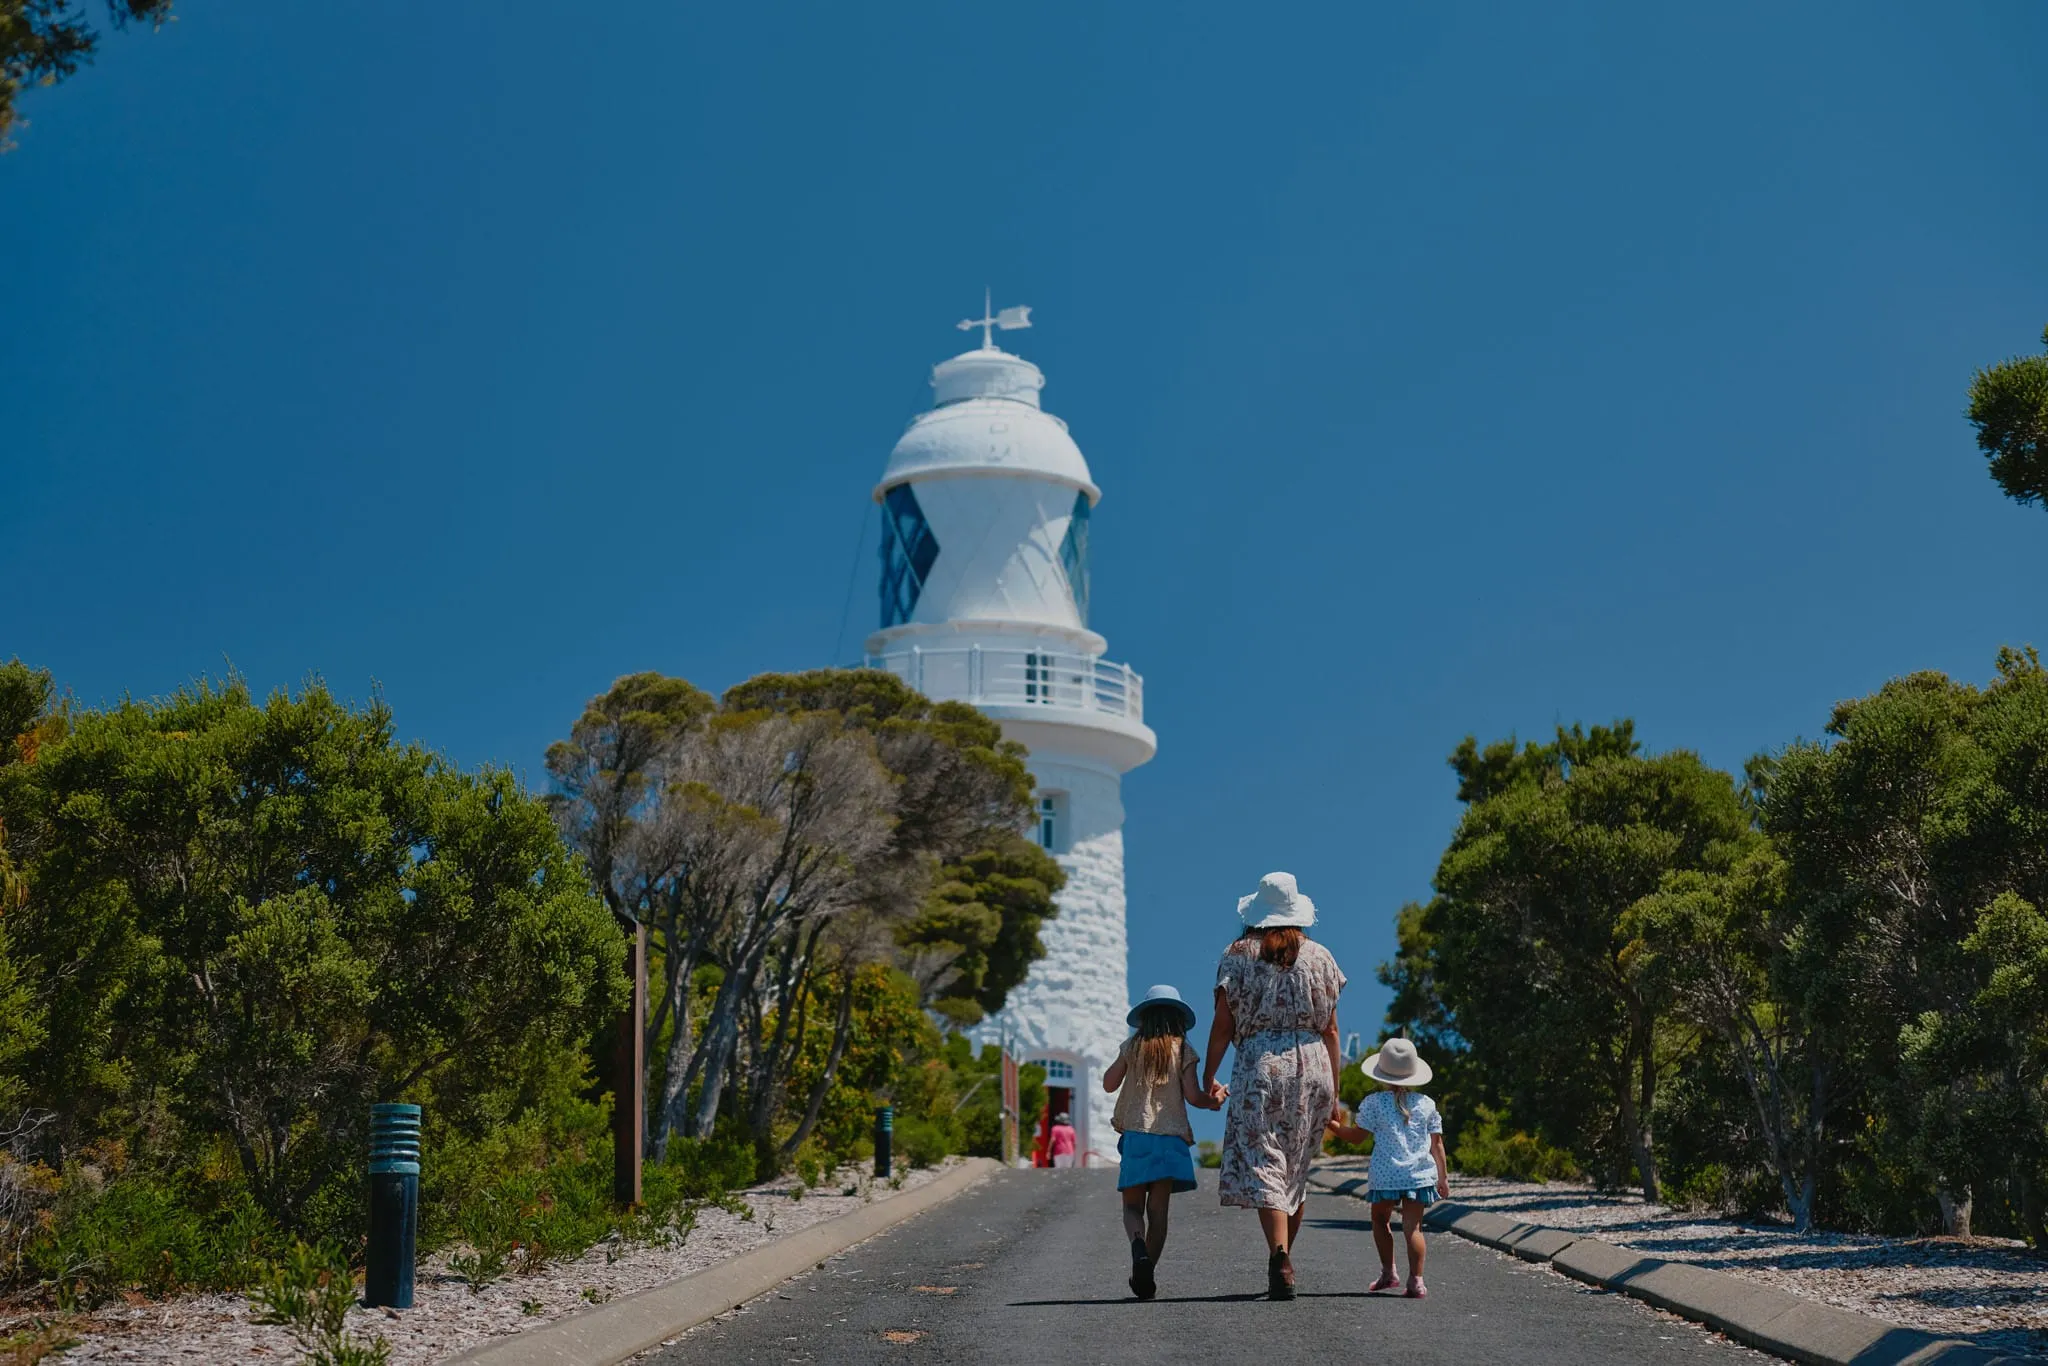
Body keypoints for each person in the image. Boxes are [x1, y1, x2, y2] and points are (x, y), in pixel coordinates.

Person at [1201, 871, 1346, 1300]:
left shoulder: (1237, 955)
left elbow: (1223, 1026)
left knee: (1267, 1161)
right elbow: (1333, 1030)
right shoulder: (1320, 957)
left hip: (1259, 1066)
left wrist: (1208, 1076)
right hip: (1313, 1063)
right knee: (1295, 1167)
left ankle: (1278, 1252)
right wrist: (1334, 1092)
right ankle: (1283, 1259)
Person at [1102, 983, 1218, 1299]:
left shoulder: (1133, 1046)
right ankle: (1146, 1270)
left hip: (1137, 1136)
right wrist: (1214, 1101)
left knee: (1132, 1207)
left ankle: (1137, 1246)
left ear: (1144, 1018)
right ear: (1178, 1018)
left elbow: (1109, 1084)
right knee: (1159, 1214)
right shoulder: (1183, 1049)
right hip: (1170, 1139)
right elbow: (1194, 1096)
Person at [1326, 1037, 1449, 1299]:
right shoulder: (1426, 1103)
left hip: (1386, 1176)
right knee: (1413, 1229)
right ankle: (1416, 1281)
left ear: (1381, 1073)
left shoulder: (1374, 1103)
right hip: (1419, 1175)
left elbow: (1357, 1137)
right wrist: (1443, 1178)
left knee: (1380, 1220)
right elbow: (1436, 1145)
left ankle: (1388, 1272)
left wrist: (1332, 1125)